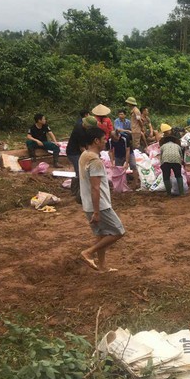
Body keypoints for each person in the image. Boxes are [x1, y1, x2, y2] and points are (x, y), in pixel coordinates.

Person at [79, 126, 125, 272]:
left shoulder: (84, 155)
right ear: (96, 141)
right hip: (100, 205)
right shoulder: (95, 161)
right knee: (118, 231)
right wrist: (97, 212)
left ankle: (102, 266)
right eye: (104, 139)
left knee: (102, 234)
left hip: (88, 204)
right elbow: (95, 187)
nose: (106, 141)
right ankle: (88, 252)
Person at [66, 111, 91, 197]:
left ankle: (80, 189)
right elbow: (82, 148)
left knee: (82, 170)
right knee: (79, 171)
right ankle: (76, 191)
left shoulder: (81, 125)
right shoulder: (80, 131)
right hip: (73, 152)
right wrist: (90, 156)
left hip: (77, 151)